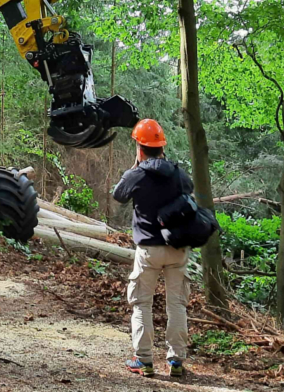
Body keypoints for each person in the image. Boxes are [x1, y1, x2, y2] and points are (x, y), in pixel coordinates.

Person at [112, 118, 193, 378]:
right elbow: (189, 190)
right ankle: (176, 361)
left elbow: (118, 195)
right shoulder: (178, 173)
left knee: (142, 304)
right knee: (177, 304)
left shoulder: (136, 174)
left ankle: (144, 360)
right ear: (162, 147)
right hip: (178, 247)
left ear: (140, 147)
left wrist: (135, 168)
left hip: (148, 248)